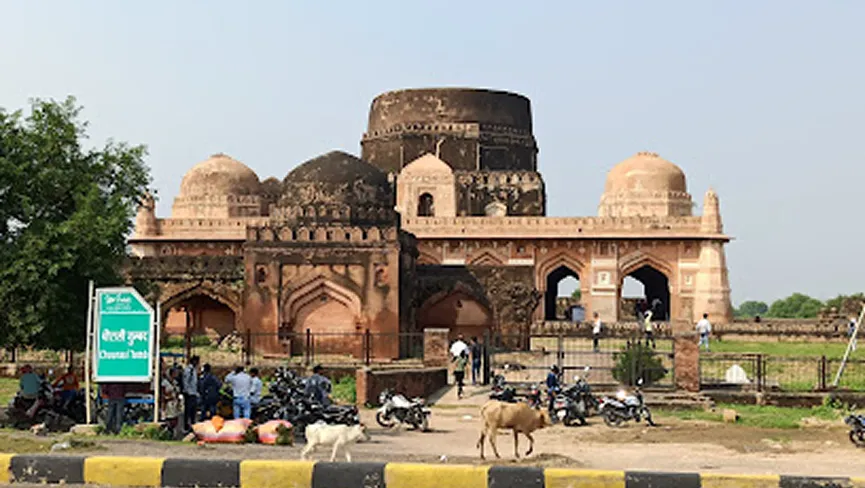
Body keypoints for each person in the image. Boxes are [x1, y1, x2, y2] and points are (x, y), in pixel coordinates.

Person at [181, 355, 200, 431]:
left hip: (194, 393)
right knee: (188, 411)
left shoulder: (194, 370)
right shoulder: (189, 370)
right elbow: (186, 381)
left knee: (193, 411)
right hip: (189, 394)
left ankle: (192, 425)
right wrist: (187, 391)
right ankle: (186, 426)